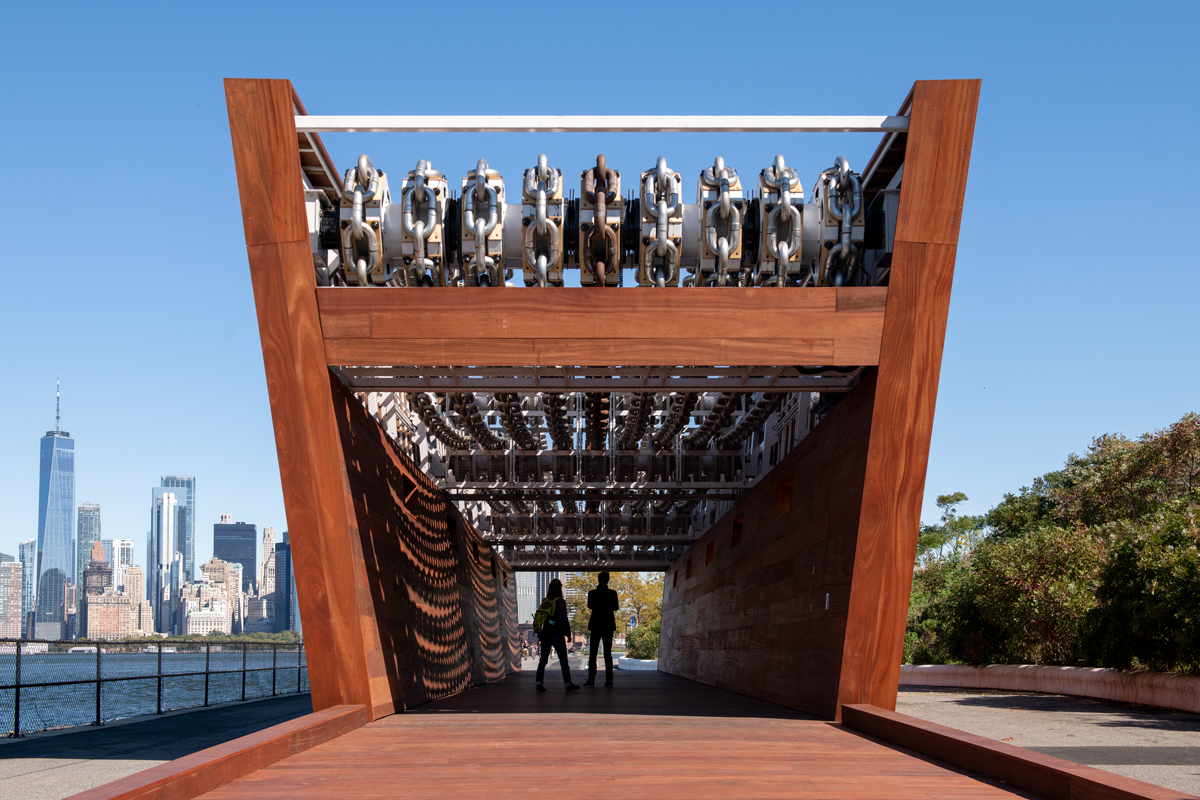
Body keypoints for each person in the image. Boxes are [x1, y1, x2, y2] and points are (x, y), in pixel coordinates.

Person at [536, 578, 580, 692]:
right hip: (557, 634)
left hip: (545, 634)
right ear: (560, 589)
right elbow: (564, 619)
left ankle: (539, 683)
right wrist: (568, 633)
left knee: (543, 660)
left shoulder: (545, 600)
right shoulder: (560, 601)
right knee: (563, 661)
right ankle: (568, 684)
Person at [584, 571, 620, 687]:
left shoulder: (592, 593)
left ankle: (591, 679)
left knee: (593, 653)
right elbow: (616, 607)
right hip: (608, 624)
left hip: (596, 624)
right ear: (608, 580)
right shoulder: (612, 593)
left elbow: (590, 606)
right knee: (607, 653)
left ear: (598, 580)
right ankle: (609, 680)